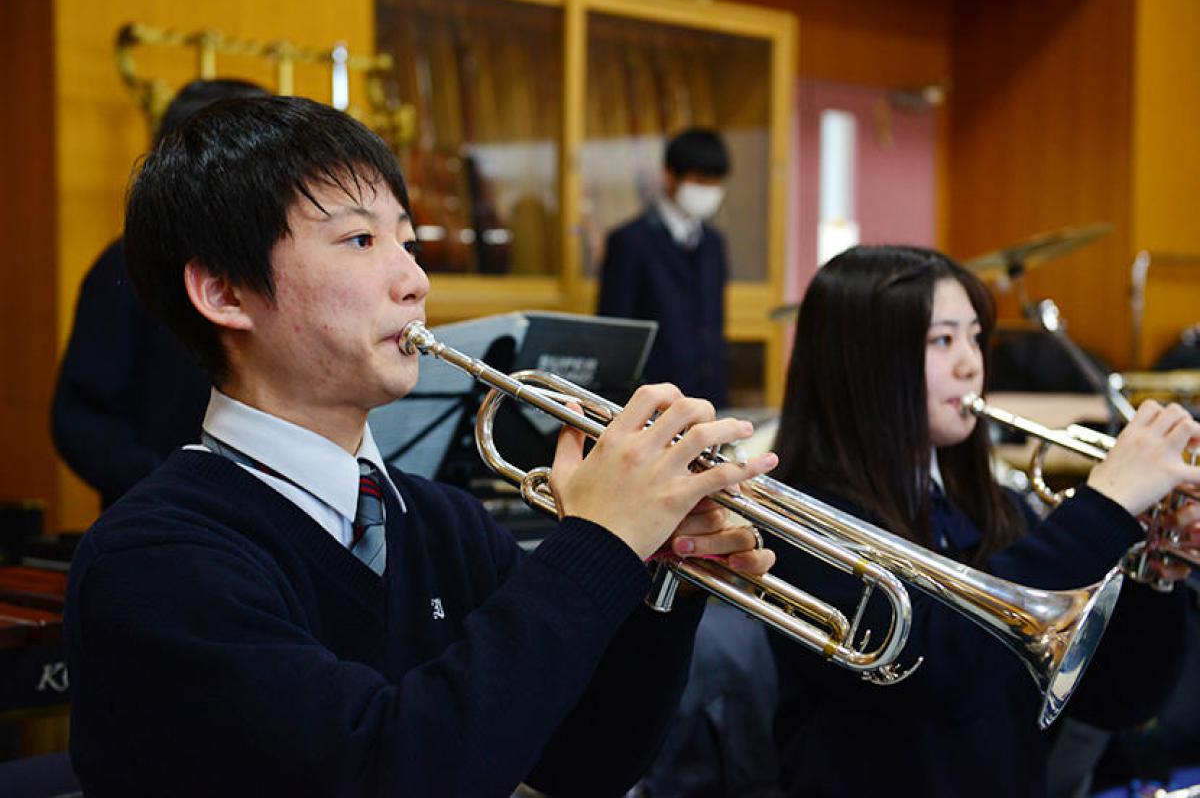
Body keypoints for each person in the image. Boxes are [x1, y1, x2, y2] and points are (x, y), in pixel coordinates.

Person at [63, 95, 779, 797]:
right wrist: (595, 542)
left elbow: (582, 764)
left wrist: (656, 568)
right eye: (360, 240)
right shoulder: (151, 561)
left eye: (407, 241)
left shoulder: (445, 522)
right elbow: (389, 769)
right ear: (225, 293)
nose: (415, 281)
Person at [766, 245, 1200, 798]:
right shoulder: (801, 527)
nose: (972, 363)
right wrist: (1105, 508)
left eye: (974, 337)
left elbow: (1113, 699)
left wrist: (1154, 575)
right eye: (942, 340)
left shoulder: (994, 507)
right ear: (864, 360)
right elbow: (941, 670)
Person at [51, 78, 269, 509]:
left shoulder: (269, 261)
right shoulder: (124, 266)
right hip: (164, 519)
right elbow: (80, 419)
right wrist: (166, 481)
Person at [598, 128, 731, 408]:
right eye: (700, 180)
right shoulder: (630, 241)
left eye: (715, 183)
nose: (708, 191)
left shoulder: (714, 244)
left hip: (709, 399)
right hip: (652, 403)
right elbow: (616, 336)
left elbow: (714, 323)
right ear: (671, 175)